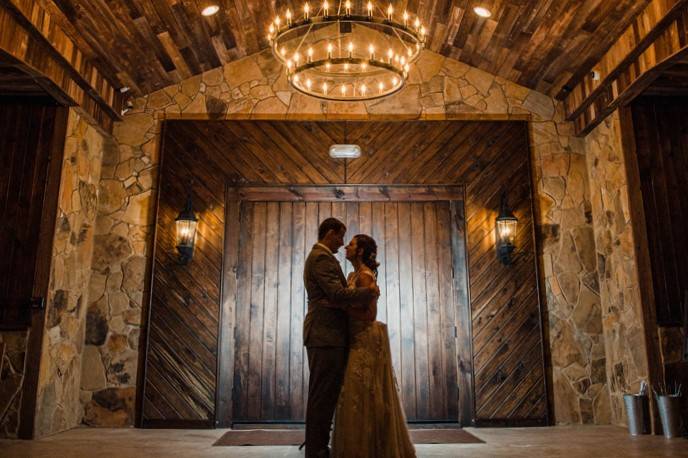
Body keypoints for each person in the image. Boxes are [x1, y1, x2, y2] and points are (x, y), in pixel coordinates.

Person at [331, 234, 416, 458]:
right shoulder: (352, 275)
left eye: (350, 245)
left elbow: (370, 315)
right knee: (353, 395)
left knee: (363, 394)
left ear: (359, 251)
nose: (346, 248)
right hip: (352, 338)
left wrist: (340, 308)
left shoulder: (366, 277)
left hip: (364, 340)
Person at [303, 218, 379, 458]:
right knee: (322, 397)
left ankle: (318, 446)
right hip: (325, 335)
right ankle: (316, 451)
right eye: (340, 236)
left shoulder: (324, 258)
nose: (343, 242)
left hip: (330, 335)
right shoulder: (321, 257)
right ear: (330, 233)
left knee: (325, 395)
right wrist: (370, 292)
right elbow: (335, 293)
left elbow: (335, 297)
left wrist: (337, 301)